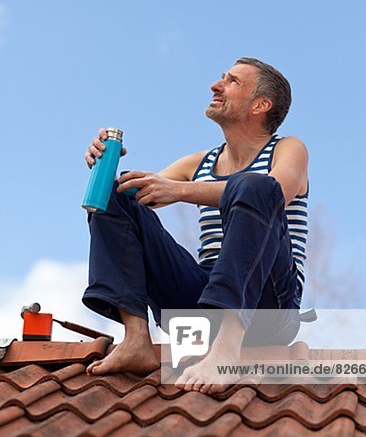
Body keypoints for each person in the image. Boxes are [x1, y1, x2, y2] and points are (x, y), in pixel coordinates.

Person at [82, 57, 309, 394]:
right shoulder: (199, 162)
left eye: (231, 81)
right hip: (203, 299)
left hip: (269, 307)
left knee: (255, 186)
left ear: (261, 104)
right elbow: (144, 192)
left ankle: (226, 349)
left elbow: (278, 191)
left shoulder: (289, 149)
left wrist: (180, 190)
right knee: (116, 196)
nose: (215, 86)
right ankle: (137, 339)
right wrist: (103, 159)